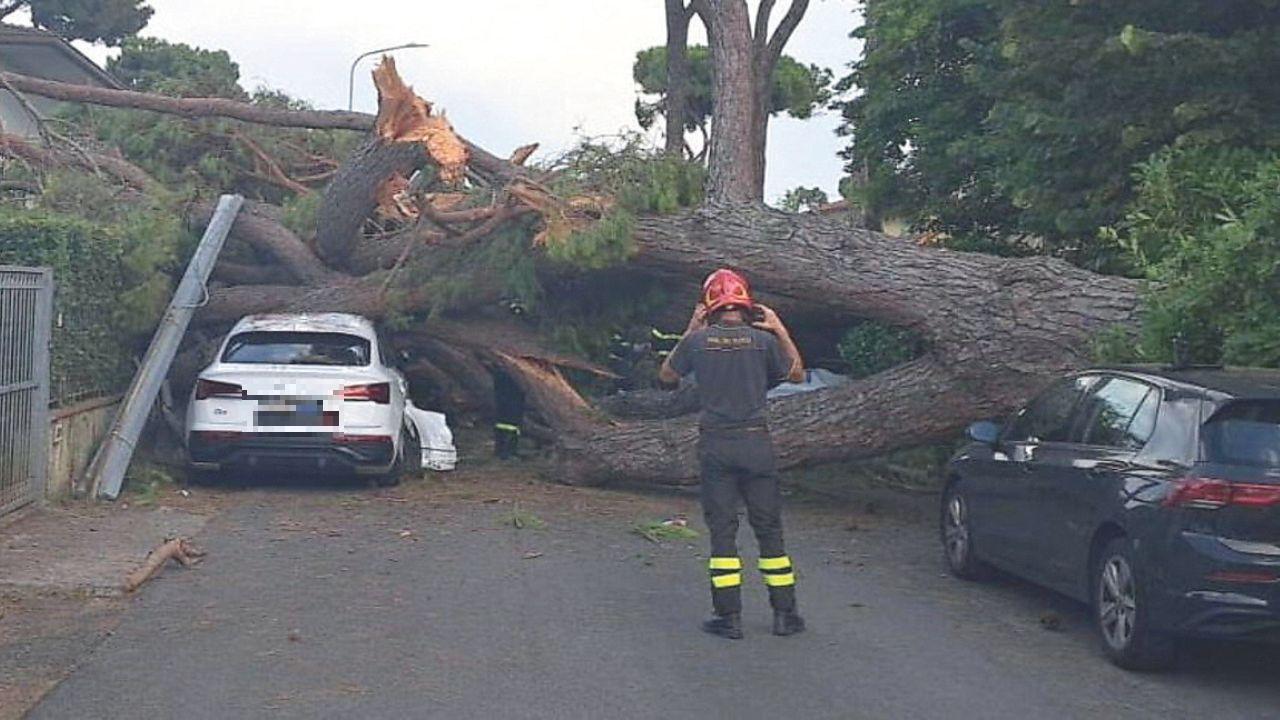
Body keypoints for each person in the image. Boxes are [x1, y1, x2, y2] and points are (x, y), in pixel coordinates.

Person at [659, 268, 807, 640]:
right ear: (746, 302)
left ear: (709, 304)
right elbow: (796, 375)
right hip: (757, 444)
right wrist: (780, 329)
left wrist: (691, 328)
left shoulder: (697, 342)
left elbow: (666, 376)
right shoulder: (763, 341)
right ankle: (785, 615)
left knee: (723, 534)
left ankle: (729, 618)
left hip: (717, 445)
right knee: (769, 531)